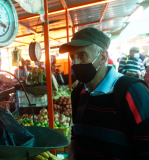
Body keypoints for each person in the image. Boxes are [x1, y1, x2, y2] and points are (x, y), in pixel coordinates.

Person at [59, 27, 149, 160]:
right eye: (73, 57)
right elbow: (76, 131)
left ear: (102, 57)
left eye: (82, 55)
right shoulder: (78, 93)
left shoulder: (131, 91)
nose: (75, 63)